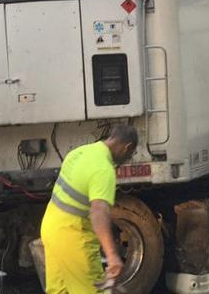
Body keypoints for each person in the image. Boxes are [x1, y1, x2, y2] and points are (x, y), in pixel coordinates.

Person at [40, 124, 138, 294]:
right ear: (126, 147)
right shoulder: (103, 170)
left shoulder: (80, 152)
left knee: (59, 290)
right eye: (131, 154)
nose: (129, 158)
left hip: (51, 228)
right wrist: (112, 255)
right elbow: (98, 213)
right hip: (73, 236)